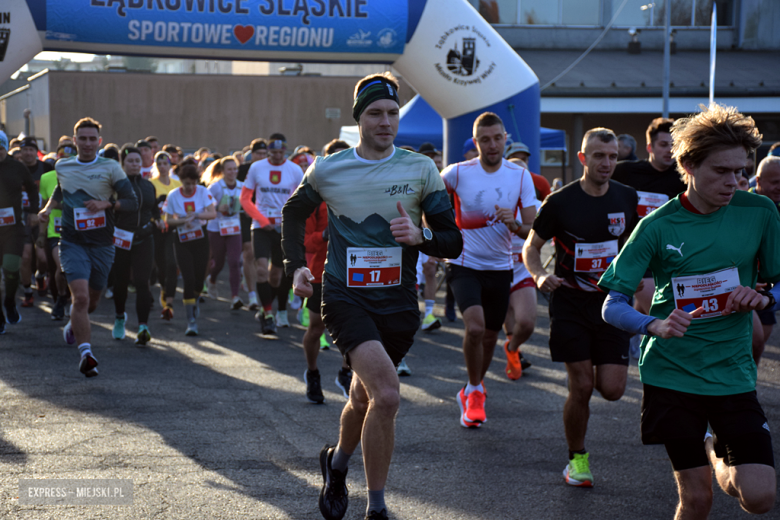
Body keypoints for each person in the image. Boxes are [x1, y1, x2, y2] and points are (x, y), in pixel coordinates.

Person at [282, 72, 462, 520]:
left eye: (392, 113)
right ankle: (377, 507)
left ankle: (336, 464)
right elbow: (293, 213)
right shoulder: (328, 168)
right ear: (358, 119)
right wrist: (296, 266)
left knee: (362, 399)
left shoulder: (421, 169)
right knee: (388, 395)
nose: (386, 121)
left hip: (398, 304)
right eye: (375, 113)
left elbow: (453, 241)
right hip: (345, 298)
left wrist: (420, 235)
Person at [600, 104, 778, 519]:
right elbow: (612, 305)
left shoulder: (759, 212)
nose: (733, 181)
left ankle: (715, 450)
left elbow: (777, 283)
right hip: (672, 374)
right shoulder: (657, 226)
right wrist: (655, 324)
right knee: (697, 500)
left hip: (732, 372)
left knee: (758, 498)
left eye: (740, 171)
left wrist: (766, 299)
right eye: (721, 171)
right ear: (688, 166)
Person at [523, 127, 639, 487]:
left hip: (612, 303)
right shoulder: (559, 202)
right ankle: (577, 459)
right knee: (583, 386)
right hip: (570, 303)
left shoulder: (626, 196)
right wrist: (540, 275)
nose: (607, 163)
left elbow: (634, 246)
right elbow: (530, 247)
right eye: (599, 156)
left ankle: (578, 446)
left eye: (612, 156)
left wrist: (639, 277)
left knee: (613, 389)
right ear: (583, 158)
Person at [442, 113, 537, 427]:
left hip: (501, 267)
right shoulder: (457, 172)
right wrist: (435, 235)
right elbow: (428, 198)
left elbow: (532, 229)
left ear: (505, 138)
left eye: (497, 138)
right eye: (485, 139)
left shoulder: (519, 176)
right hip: (464, 264)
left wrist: (515, 224)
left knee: (489, 337)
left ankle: (473, 387)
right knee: (475, 328)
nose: (492, 145)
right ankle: (475, 390)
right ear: (476, 141)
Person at [38, 117, 138, 377]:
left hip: (103, 244)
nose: (87, 143)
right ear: (75, 141)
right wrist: (48, 208)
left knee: (91, 302)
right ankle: (86, 355)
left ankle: (74, 325)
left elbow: (132, 202)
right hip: (72, 242)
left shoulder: (111, 168)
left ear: (99, 141)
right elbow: (61, 190)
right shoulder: (63, 165)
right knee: (80, 297)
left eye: (92, 139)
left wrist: (107, 204)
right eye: (82, 138)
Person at [612, 118, 687, 318]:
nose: (669, 150)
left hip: (671, 255)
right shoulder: (626, 171)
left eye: (674, 145)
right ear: (649, 147)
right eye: (663, 145)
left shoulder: (684, 177)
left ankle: (633, 333)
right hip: (637, 253)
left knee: (648, 315)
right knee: (661, 316)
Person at [299, 138, 353, 404]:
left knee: (352, 326)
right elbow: (305, 241)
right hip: (321, 271)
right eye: (335, 158)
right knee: (316, 328)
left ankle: (346, 372)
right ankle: (312, 372)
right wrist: (323, 234)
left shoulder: (358, 191)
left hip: (352, 270)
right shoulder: (314, 195)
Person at [241, 135, 303, 334]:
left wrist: (292, 221)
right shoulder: (257, 168)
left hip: (284, 228)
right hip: (261, 227)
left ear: (285, 151)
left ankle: (265, 307)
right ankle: (268, 315)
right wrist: (262, 220)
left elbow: (301, 199)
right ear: (268, 151)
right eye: (273, 152)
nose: (277, 156)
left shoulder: (295, 170)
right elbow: (245, 199)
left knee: (275, 276)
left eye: (280, 152)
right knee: (261, 270)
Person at [111, 146, 161, 345]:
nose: (134, 165)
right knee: (121, 282)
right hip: (121, 238)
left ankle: (143, 326)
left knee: (142, 282)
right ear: (122, 164)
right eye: (130, 161)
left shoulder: (148, 186)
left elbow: (154, 209)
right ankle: (119, 318)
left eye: (137, 161)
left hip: (144, 238)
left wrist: (158, 219)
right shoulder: (115, 186)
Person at [162, 163, 216, 336]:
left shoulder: (203, 192)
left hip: (200, 238)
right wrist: (183, 221)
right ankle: (191, 321)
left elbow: (212, 213)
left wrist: (197, 215)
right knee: (188, 279)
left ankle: (195, 300)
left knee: (199, 280)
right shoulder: (173, 195)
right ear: (181, 181)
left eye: (193, 183)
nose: (191, 187)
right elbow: (168, 220)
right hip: (182, 240)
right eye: (187, 183)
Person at [0, 130, 38, 334]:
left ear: (6, 148)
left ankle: (9, 301)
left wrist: (33, 211)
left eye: (0, 148)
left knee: (11, 267)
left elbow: (32, 189)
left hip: (13, 228)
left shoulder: (17, 167)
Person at [204, 156, 244, 309]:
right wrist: (216, 208)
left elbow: (248, 202)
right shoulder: (215, 187)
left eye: (235, 169)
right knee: (219, 262)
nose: (233, 172)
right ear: (222, 171)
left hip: (234, 228)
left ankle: (235, 297)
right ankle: (212, 279)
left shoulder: (242, 186)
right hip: (216, 228)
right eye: (229, 169)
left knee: (234, 262)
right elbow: (204, 203)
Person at [751, 155, 780, 361]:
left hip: (768, 287)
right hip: (738, 285)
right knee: (756, 340)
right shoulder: (740, 204)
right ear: (759, 180)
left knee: (759, 344)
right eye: (776, 182)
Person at [19, 136, 53, 307]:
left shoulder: (46, 168)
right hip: (21, 217)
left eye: (31, 150)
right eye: (25, 150)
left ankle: (40, 276)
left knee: (42, 257)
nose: (28, 153)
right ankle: (27, 292)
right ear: (20, 152)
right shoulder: (15, 168)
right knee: (25, 256)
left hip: (41, 216)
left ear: (36, 152)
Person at [237, 138, 269, 311]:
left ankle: (255, 280)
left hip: (265, 216)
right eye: (258, 153)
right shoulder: (242, 170)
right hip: (246, 215)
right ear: (252, 154)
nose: (262, 157)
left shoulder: (271, 169)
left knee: (262, 258)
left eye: (264, 154)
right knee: (249, 252)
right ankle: (252, 295)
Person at [150, 151, 182, 319]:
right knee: (160, 265)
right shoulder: (151, 184)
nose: (162, 167)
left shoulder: (177, 184)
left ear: (170, 165)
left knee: (172, 263)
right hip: (156, 229)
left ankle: (169, 302)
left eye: (165, 164)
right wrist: (155, 220)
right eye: (159, 164)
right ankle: (163, 287)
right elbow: (148, 207)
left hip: (172, 229)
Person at [36, 166, 70, 320]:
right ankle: (60, 298)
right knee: (61, 267)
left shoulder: (87, 176)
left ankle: (73, 302)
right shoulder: (47, 178)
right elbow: (44, 208)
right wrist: (41, 234)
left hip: (80, 232)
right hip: (56, 232)